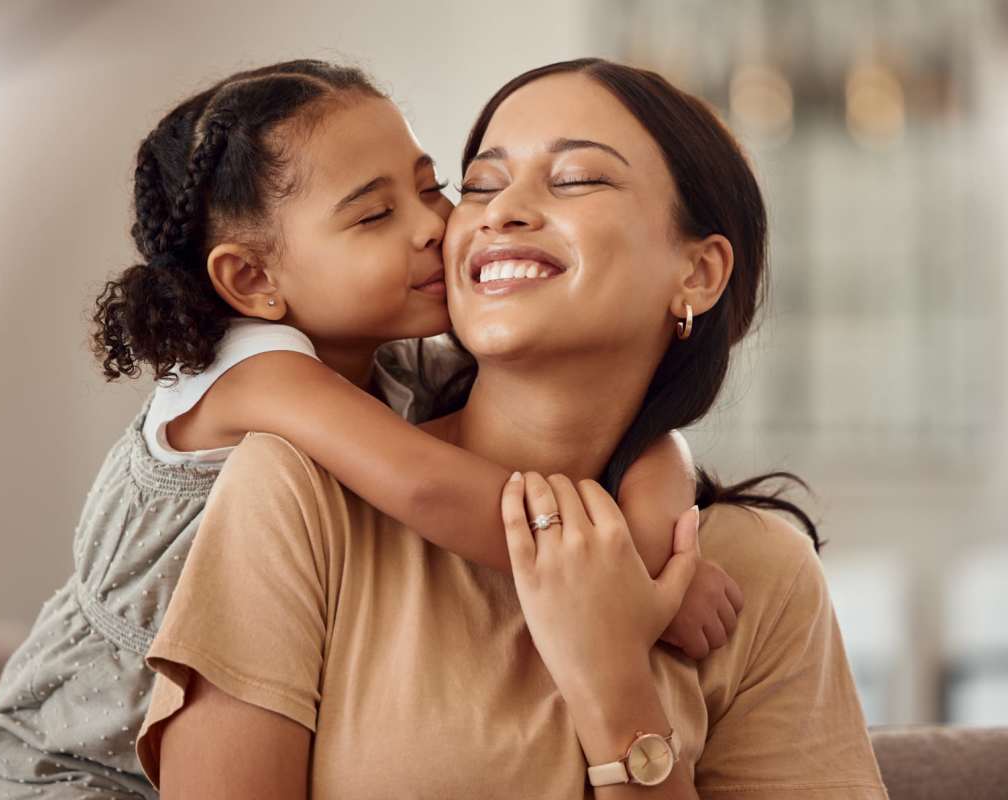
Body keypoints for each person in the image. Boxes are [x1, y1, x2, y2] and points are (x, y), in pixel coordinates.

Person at [0, 59, 740, 799]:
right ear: (253, 280)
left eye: (434, 187)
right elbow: (432, 485)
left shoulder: (399, 365)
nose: (434, 227)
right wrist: (629, 576)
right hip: (77, 766)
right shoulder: (256, 376)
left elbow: (618, 429)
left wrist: (658, 491)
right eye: (374, 214)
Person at [136, 58, 887, 798]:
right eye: (483, 184)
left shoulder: (760, 574)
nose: (497, 212)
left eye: (577, 178)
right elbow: (426, 483)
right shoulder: (296, 489)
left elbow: (651, 444)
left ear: (697, 273)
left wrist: (614, 690)